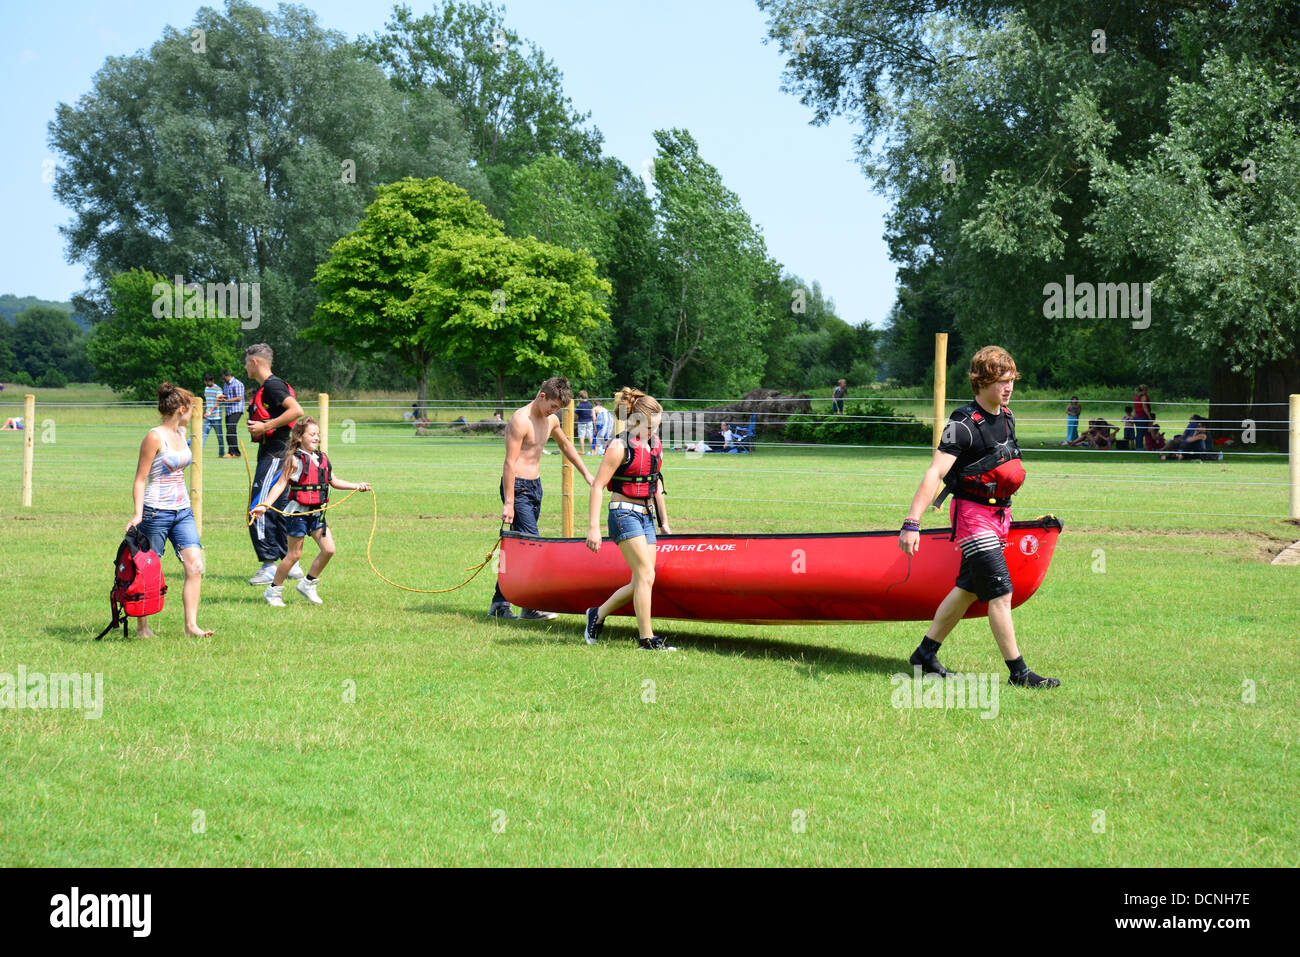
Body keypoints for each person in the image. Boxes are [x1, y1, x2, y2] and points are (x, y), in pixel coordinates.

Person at [898, 346, 1059, 689]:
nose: (1008, 387)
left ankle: (924, 655)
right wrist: (913, 522)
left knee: (969, 589)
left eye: (1011, 380)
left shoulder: (1007, 416)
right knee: (1000, 593)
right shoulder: (962, 424)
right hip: (973, 517)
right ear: (981, 382)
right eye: (1002, 381)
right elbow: (935, 473)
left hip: (999, 514)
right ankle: (1019, 673)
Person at [490, 376, 595, 619]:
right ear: (542, 396)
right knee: (533, 546)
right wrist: (508, 502)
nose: (554, 411)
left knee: (520, 548)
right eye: (553, 406)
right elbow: (509, 462)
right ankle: (529, 605)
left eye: (558, 409)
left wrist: (587, 474)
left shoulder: (551, 420)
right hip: (516, 488)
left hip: (535, 487)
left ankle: (500, 604)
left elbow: (566, 446)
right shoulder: (520, 420)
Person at [583, 387, 675, 651]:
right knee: (645, 574)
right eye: (649, 428)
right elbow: (597, 486)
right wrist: (594, 528)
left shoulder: (655, 445)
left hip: (646, 515)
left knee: (641, 580)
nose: (653, 433)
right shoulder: (618, 446)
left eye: (656, 428)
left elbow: (655, 484)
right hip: (623, 514)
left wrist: (664, 521)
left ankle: (597, 614)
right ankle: (647, 640)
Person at [251, 417, 370, 606]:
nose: (316, 438)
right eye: (311, 434)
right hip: (298, 514)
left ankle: (308, 584)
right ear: (299, 437)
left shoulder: (322, 458)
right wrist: (264, 505)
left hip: (317, 513)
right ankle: (273, 591)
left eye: (318, 434)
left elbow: (333, 480)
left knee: (329, 549)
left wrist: (357, 486)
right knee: (294, 556)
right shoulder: (294, 460)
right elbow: (280, 484)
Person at [125, 382, 213, 637]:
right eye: (192, 407)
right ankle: (143, 628)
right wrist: (138, 513)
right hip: (156, 512)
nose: (194, 412)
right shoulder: (154, 436)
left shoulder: (181, 432)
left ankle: (191, 626)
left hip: (182, 511)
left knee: (195, 565)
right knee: (148, 569)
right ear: (182, 409)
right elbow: (141, 478)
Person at [243, 343, 307, 585]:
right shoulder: (268, 387)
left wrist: (265, 426)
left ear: (256, 362)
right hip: (277, 452)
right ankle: (289, 564)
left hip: (275, 454)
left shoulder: (272, 385)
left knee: (259, 506)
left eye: (247, 362)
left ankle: (269, 564)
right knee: (279, 507)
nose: (245, 366)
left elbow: (296, 411)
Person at [220, 368, 244, 458]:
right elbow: (226, 395)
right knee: (231, 431)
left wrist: (227, 401)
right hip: (228, 411)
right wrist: (222, 398)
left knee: (230, 430)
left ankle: (233, 452)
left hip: (236, 410)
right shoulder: (225, 385)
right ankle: (234, 453)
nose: (223, 380)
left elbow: (239, 398)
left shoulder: (237, 383)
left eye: (223, 378)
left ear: (227, 375)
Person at [201, 373, 226, 457]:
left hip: (216, 417)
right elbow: (207, 402)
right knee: (203, 436)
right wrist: (204, 412)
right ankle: (199, 453)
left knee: (219, 437)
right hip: (208, 417)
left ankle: (221, 454)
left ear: (212, 381)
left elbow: (217, 403)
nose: (207, 383)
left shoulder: (218, 389)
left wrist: (209, 412)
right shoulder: (206, 389)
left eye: (208, 381)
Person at [1132, 384, 1152, 454]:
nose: (1147, 391)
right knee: (1141, 433)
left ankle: (1141, 446)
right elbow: (1144, 407)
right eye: (1146, 390)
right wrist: (1149, 416)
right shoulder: (1144, 397)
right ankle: (1139, 447)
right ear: (1144, 390)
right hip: (1142, 416)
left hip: (1136, 417)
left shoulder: (1136, 397)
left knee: (1140, 432)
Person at [575, 389, 594, 454]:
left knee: (581, 437)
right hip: (589, 422)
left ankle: (583, 451)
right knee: (590, 436)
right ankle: (592, 451)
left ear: (580, 398)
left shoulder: (579, 405)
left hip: (581, 422)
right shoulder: (590, 404)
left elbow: (576, 413)